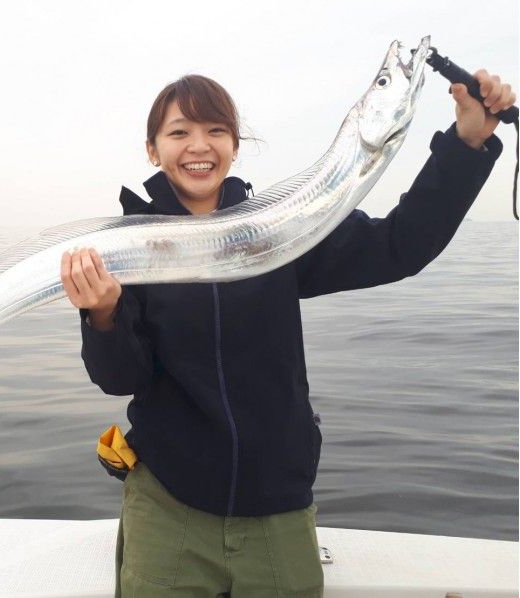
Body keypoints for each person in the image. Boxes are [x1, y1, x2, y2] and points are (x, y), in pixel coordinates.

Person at [60, 72, 513, 597]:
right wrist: (104, 315)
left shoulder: (282, 229)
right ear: (152, 149)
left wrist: (467, 144)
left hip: (277, 500)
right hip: (167, 500)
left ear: (234, 145)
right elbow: (121, 378)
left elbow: (399, 245)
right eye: (179, 132)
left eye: (216, 130)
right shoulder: (130, 248)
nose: (199, 146)